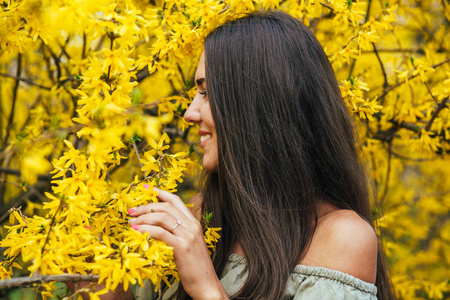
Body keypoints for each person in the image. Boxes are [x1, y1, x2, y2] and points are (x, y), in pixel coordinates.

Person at [102, 10, 394, 300]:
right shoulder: (203, 217)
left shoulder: (342, 239)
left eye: (206, 93)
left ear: (255, 104)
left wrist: (206, 287)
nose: (189, 113)